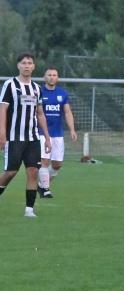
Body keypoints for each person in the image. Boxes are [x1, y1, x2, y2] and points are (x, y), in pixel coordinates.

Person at [0, 52, 52, 217]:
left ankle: (29, 209)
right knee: (11, 172)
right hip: (14, 137)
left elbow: (40, 113)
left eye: (30, 63)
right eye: (24, 63)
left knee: (33, 171)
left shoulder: (37, 88)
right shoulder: (10, 85)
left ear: (34, 66)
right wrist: (2, 132)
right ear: (18, 66)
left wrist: (47, 138)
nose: (27, 66)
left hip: (33, 138)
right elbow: (3, 109)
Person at [37, 67, 78, 198]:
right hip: (41, 132)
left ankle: (41, 185)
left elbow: (67, 112)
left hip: (58, 134)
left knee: (57, 165)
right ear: (45, 77)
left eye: (54, 75)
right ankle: (46, 189)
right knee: (44, 161)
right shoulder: (39, 92)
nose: (52, 77)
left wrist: (72, 129)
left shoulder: (62, 93)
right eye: (49, 75)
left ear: (57, 78)